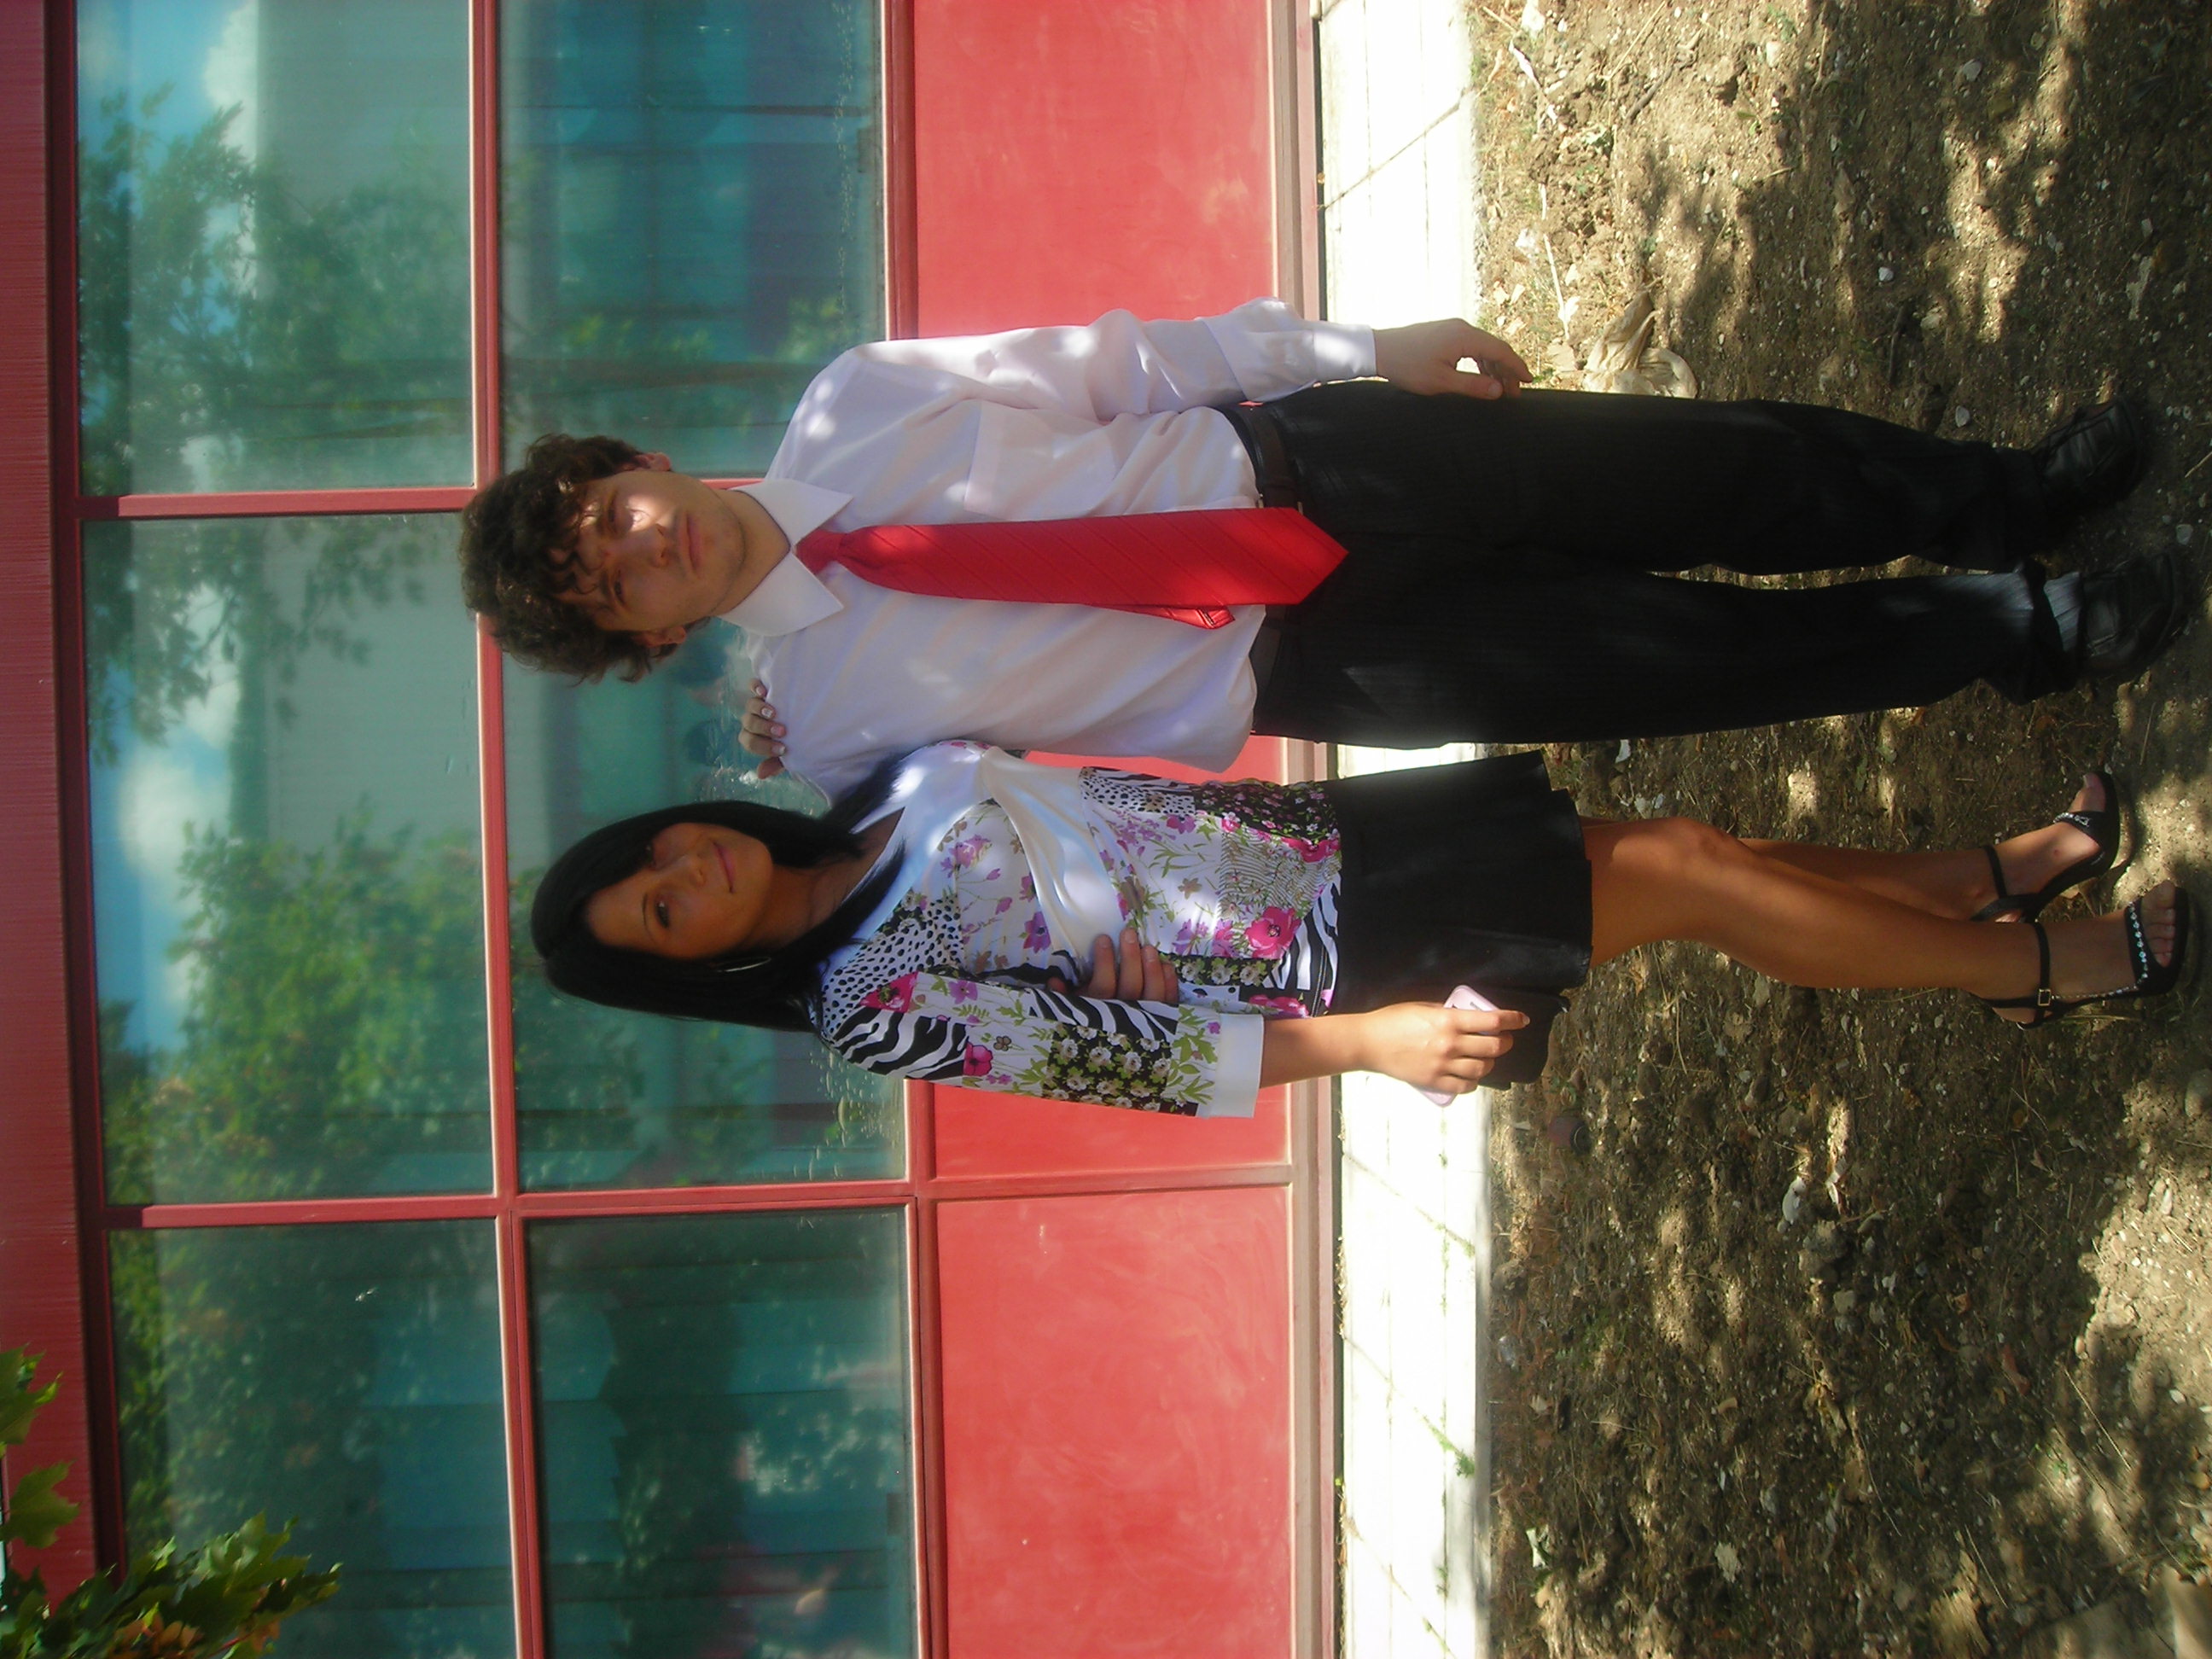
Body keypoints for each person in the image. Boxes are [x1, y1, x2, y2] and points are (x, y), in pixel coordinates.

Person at [458, 300, 2194, 800]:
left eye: (608, 515)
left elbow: (1129, 361)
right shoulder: (832, 726)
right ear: (646, 641)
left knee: (1714, 471)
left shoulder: (858, 400)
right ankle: (2029, 627)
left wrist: (1365, 347)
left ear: (634, 467)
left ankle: (2009, 494)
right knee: (1705, 664)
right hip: (1322, 662)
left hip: (1328, 459)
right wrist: (776, 752)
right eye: (612, 589)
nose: (640, 548)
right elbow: (965, 850)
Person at [529, 744, 2190, 1115]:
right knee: (1686, 877)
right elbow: (1120, 1062)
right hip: (1327, 952)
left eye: (653, 854)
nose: (688, 871)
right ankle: (2039, 965)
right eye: (662, 914)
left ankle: (1974, 881)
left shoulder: (875, 788)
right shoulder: (864, 1002)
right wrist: (1371, 1046)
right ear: (692, 965)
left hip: (1316, 842)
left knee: (1693, 850)